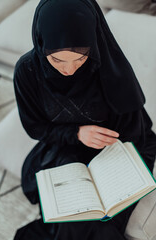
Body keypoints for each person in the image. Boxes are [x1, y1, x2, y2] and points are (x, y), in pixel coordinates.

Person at [13, 0, 156, 239]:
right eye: (57, 59)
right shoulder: (27, 71)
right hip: (65, 146)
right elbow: (35, 127)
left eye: (80, 57)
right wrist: (77, 133)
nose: (69, 69)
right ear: (40, 43)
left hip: (115, 147)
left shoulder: (108, 67)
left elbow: (132, 132)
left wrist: (109, 158)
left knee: (98, 222)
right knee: (76, 217)